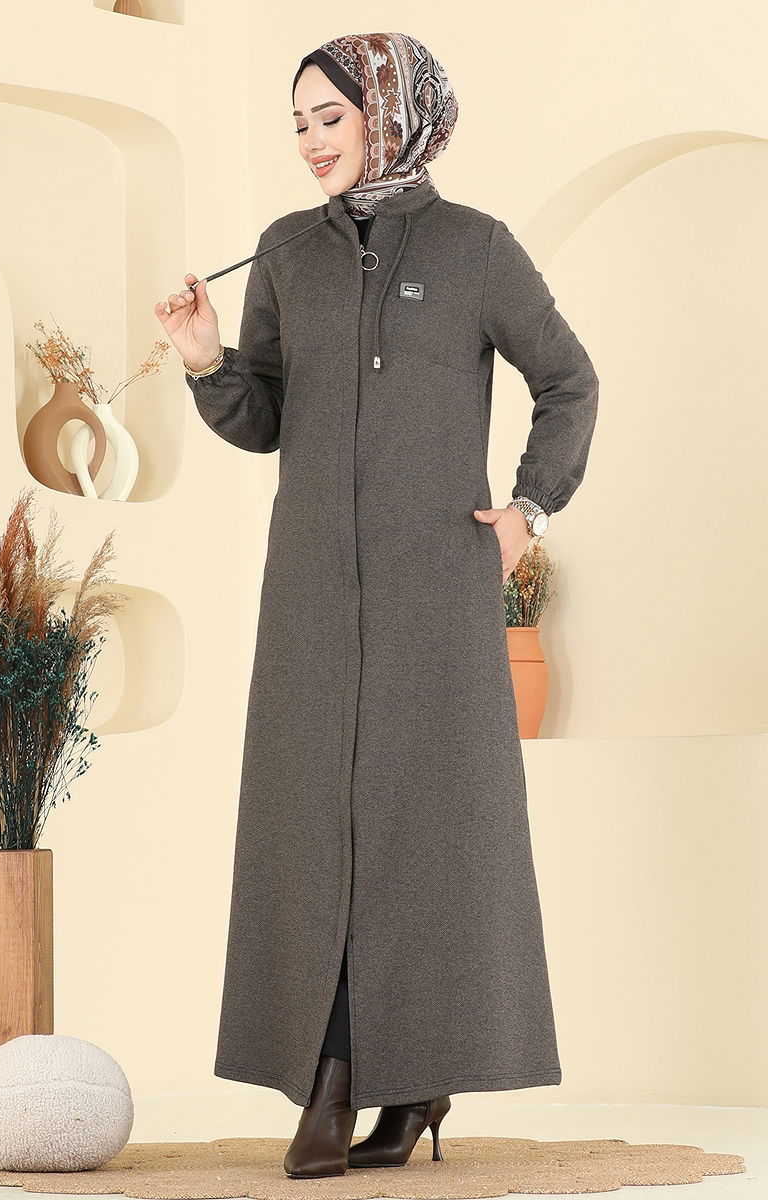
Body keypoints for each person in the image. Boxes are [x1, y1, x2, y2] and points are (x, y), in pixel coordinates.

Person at [155, 31, 599, 1181]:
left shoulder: (473, 248)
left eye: (330, 118)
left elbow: (568, 381)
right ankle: (333, 1070)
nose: (310, 141)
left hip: (432, 588)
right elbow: (264, 419)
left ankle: (395, 1078)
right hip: (308, 587)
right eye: (297, 122)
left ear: (392, 115)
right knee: (311, 822)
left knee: (423, 829)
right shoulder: (284, 252)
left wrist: (527, 508)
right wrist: (206, 361)